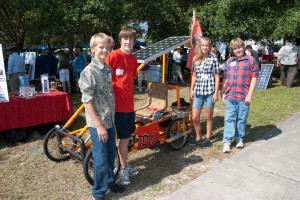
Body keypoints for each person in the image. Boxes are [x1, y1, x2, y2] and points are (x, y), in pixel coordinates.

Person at [78, 33, 125, 200]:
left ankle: (110, 182)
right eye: (101, 47)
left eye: (107, 47)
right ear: (92, 49)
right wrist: (98, 125)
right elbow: (87, 101)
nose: (105, 50)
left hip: (109, 120)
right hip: (98, 123)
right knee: (100, 159)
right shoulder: (88, 72)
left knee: (111, 154)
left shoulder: (107, 69)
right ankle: (98, 192)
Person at [105, 27, 139, 186]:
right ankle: (124, 169)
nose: (128, 42)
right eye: (125, 39)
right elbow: (104, 79)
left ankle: (125, 164)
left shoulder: (133, 59)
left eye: (131, 39)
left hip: (129, 106)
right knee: (123, 138)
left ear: (133, 41)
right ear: (120, 41)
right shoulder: (112, 56)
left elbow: (129, 82)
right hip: (116, 108)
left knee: (127, 138)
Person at [220, 38, 259, 153]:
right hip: (230, 95)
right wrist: (222, 92)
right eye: (235, 48)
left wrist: (249, 95)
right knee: (229, 118)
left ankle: (239, 138)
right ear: (232, 50)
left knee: (241, 119)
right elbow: (225, 78)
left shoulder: (251, 60)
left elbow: (254, 77)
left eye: (239, 47)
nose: (238, 50)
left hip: (243, 96)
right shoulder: (229, 61)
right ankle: (227, 141)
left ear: (243, 47)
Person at [189, 37, 220, 148]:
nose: (205, 47)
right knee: (195, 117)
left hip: (209, 91)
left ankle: (207, 138)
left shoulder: (214, 59)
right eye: (203, 45)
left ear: (209, 46)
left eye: (207, 45)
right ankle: (198, 137)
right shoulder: (196, 59)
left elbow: (217, 77)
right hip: (198, 91)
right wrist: (191, 89)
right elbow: (194, 75)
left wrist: (216, 93)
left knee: (208, 116)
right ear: (199, 46)